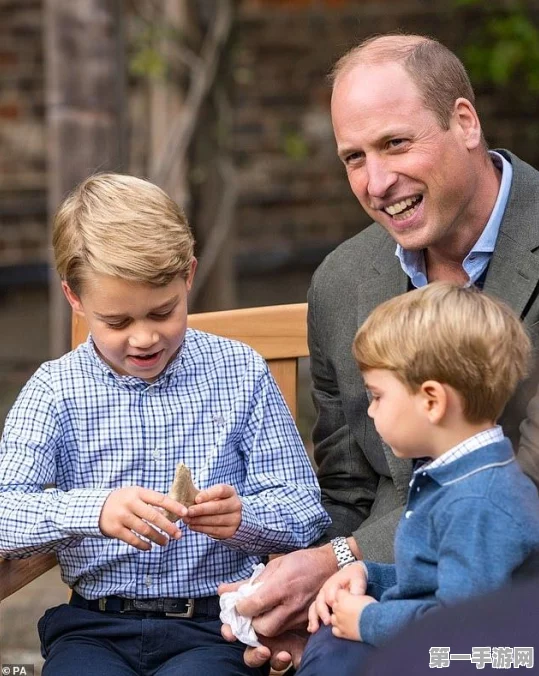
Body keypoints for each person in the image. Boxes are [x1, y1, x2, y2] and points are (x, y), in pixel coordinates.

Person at [219, 32, 539, 671]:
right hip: (399, 590)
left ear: (464, 122)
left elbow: (531, 475)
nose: (377, 180)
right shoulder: (343, 281)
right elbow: (348, 487)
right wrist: (317, 603)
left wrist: (341, 566)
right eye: (353, 157)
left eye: (396, 143)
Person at [0, 173, 330, 676]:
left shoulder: (239, 372)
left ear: (189, 277)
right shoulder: (55, 390)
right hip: (94, 629)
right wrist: (95, 510)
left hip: (213, 628)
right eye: (117, 322)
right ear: (74, 298)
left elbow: (305, 509)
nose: (144, 337)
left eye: (163, 311)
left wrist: (243, 520)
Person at [295, 282, 539, 675]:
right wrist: (369, 575)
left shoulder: (477, 503)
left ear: (431, 401)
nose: (371, 412)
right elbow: (438, 582)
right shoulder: (458, 478)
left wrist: (368, 621)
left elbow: (462, 631)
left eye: (376, 396)